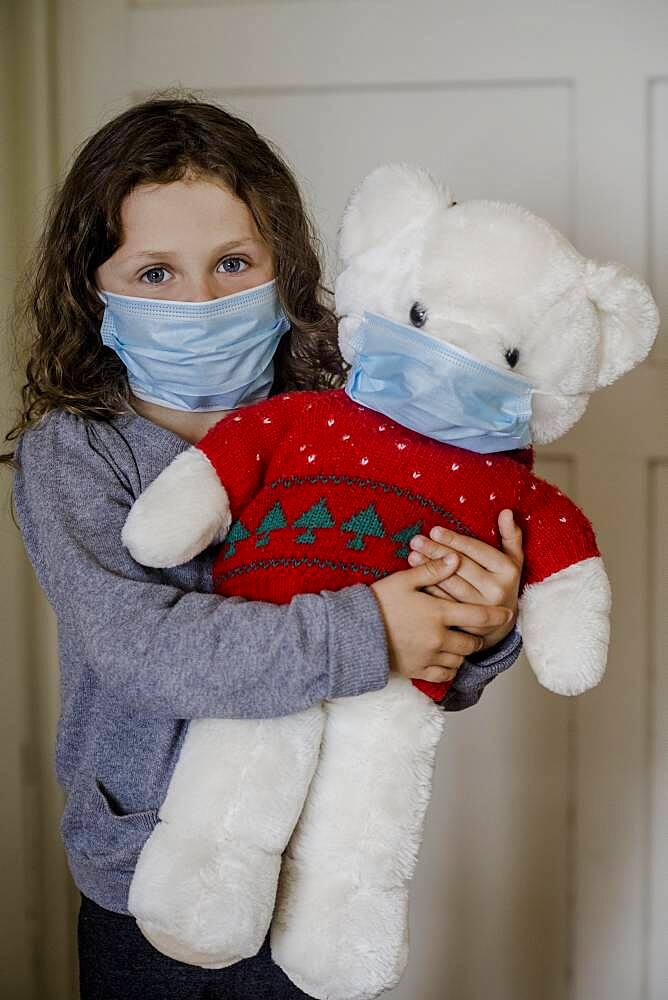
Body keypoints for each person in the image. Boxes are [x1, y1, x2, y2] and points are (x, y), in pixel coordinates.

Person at [3, 96, 524, 999]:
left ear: (286, 268)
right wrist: (368, 630)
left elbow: (419, 649)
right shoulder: (75, 452)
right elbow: (141, 649)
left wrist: (478, 626)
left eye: (233, 263)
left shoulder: (358, 427)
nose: (201, 300)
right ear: (94, 287)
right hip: (146, 870)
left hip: (317, 869)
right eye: (156, 273)